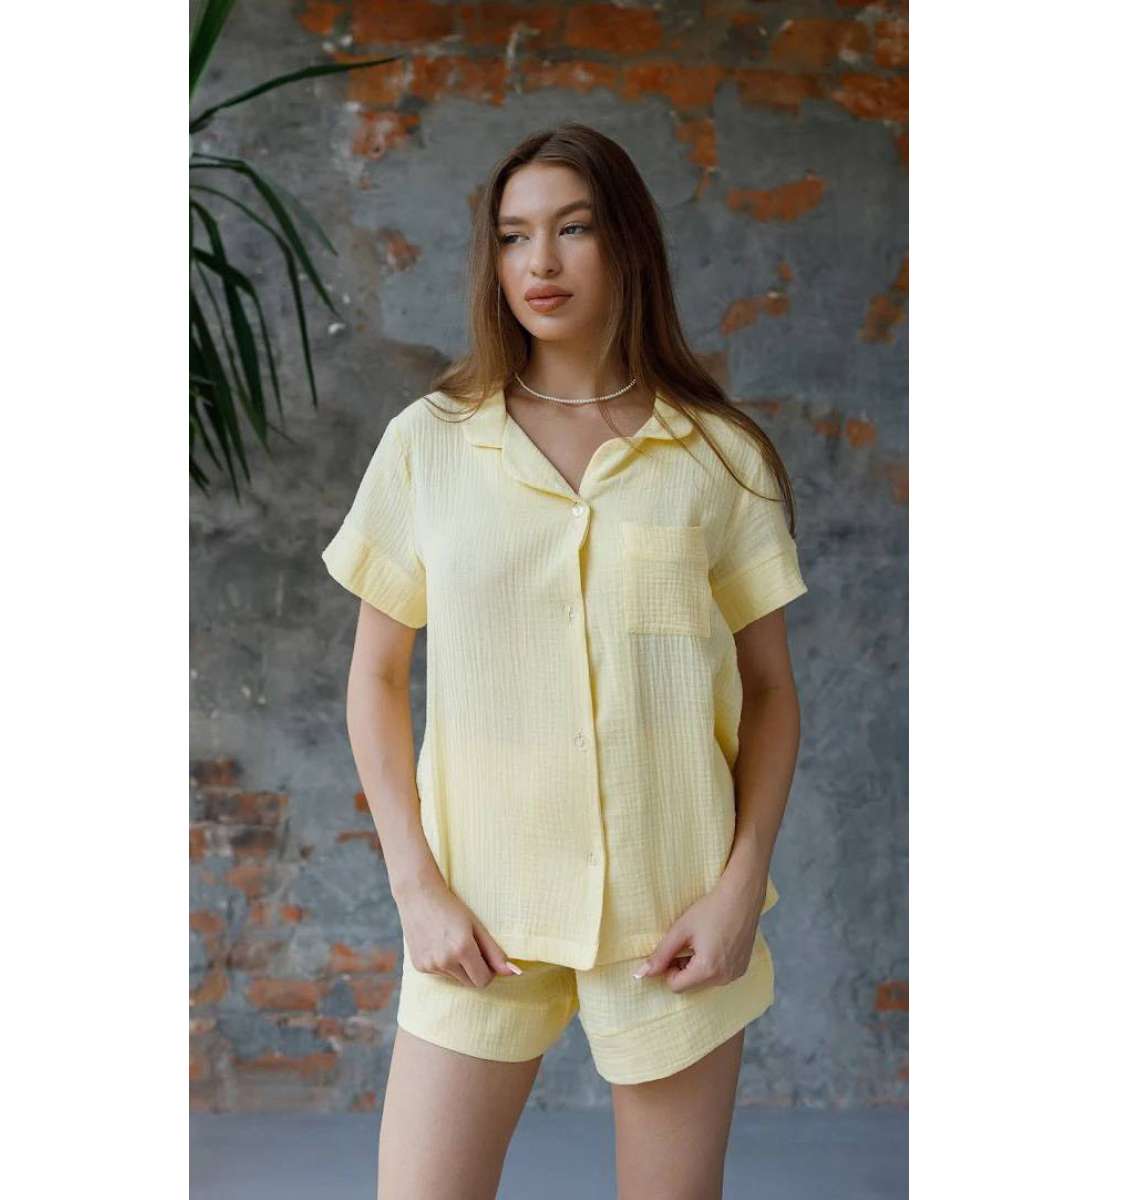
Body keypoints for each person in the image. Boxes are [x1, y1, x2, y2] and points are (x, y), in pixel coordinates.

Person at [322, 122, 809, 1200]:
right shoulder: (429, 444)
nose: (539, 262)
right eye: (513, 236)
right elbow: (377, 677)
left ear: (627, 244)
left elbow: (773, 692)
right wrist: (416, 889)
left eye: (573, 229)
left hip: (674, 914)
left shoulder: (717, 456)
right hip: (478, 910)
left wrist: (738, 892)